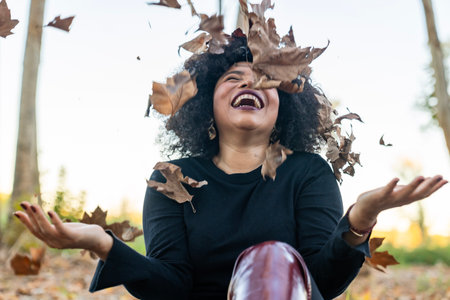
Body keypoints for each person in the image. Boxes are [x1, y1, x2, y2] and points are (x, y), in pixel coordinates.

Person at [14, 35, 447, 300]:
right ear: (206, 103)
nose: (250, 84)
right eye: (233, 78)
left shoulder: (309, 173)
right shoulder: (170, 177)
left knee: (274, 258)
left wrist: (358, 220)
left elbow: (325, 283)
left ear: (284, 105)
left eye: (264, 79)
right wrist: (106, 245)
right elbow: (170, 287)